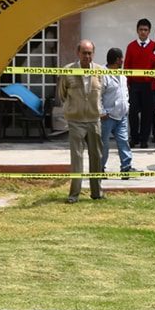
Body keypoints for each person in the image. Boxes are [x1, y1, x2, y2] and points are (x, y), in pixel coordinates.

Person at [57, 39, 105, 202]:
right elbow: (62, 94)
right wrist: (71, 109)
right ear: (78, 53)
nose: (87, 56)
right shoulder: (68, 71)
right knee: (77, 157)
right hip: (76, 120)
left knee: (96, 156)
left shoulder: (99, 70)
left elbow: (102, 91)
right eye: (84, 52)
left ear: (93, 54)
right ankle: (74, 194)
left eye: (89, 53)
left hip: (93, 119)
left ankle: (97, 193)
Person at [123, 19, 155, 159]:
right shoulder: (131, 46)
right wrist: (127, 81)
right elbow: (127, 65)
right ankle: (134, 137)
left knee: (147, 113)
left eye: (145, 30)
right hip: (134, 84)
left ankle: (144, 139)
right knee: (133, 112)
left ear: (149, 31)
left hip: (149, 85)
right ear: (137, 30)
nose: (143, 32)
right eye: (141, 29)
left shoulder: (154, 46)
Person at [98, 47, 133, 178]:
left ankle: (126, 168)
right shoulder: (102, 74)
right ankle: (99, 169)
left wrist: (127, 107)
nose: (123, 60)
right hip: (107, 117)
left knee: (124, 141)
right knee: (104, 144)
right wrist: (102, 112)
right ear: (117, 59)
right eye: (121, 58)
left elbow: (125, 92)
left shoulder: (122, 74)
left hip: (122, 115)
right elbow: (98, 95)